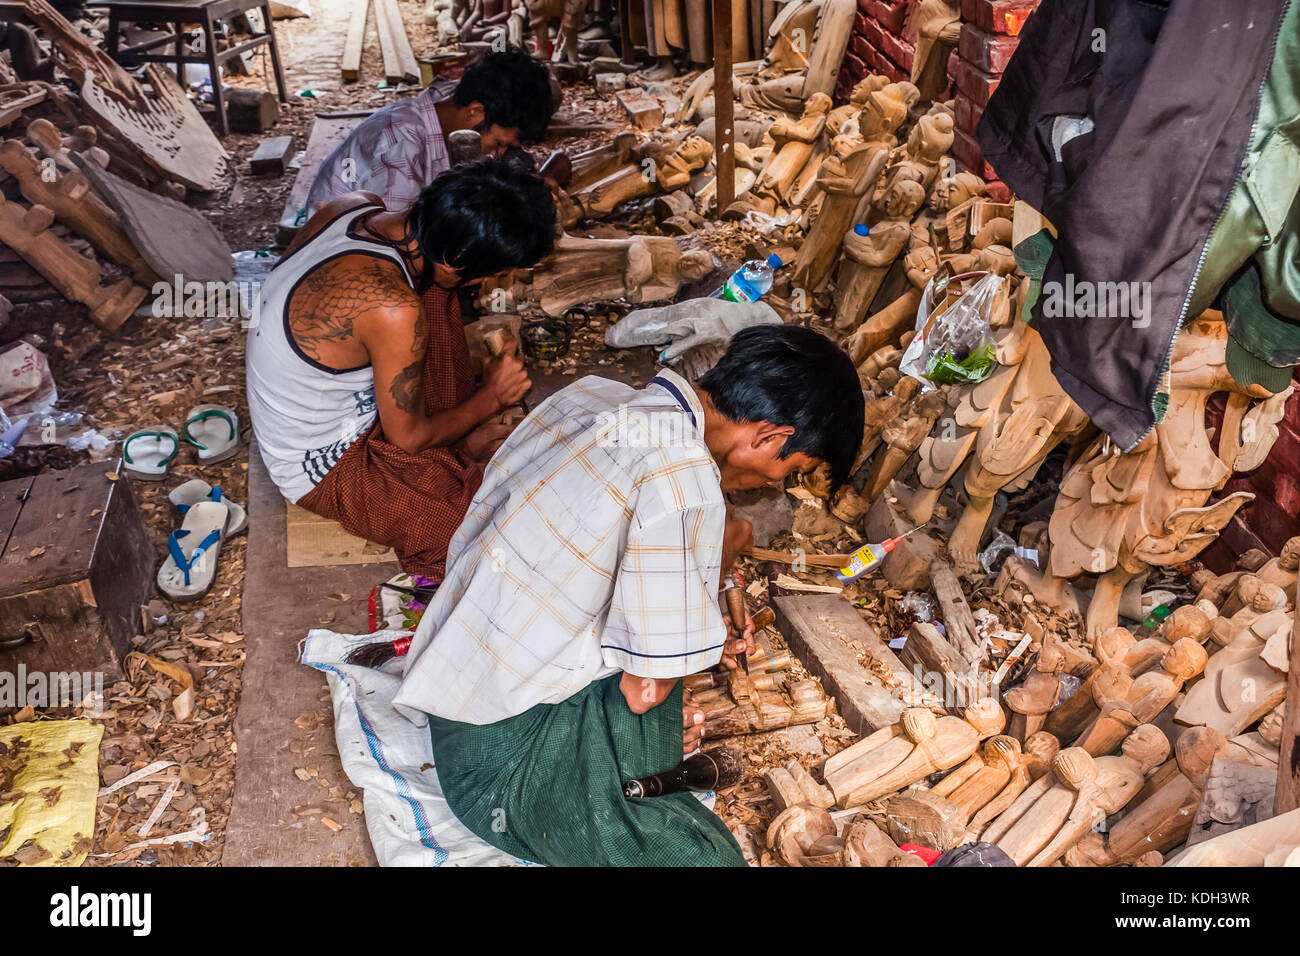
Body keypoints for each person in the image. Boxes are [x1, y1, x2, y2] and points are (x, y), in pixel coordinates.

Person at [393, 325, 865, 866]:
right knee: (706, 859)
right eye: (790, 468)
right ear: (767, 437)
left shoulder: (592, 394)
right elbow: (644, 691)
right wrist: (702, 603)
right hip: (497, 766)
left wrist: (699, 606)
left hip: (457, 685)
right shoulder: (684, 479)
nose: (771, 484)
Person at [247, 162, 555, 580]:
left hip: (328, 402)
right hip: (321, 463)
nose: (491, 283)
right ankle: (454, 453)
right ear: (455, 256)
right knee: (479, 527)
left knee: (437, 292)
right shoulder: (393, 308)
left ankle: (452, 447)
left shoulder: (354, 207)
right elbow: (407, 441)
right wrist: (491, 398)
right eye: (494, 273)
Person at [306, 48, 555, 214]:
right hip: (347, 259)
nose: (496, 154)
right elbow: (398, 241)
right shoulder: (401, 140)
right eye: (497, 144)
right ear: (475, 113)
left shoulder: (450, 108)